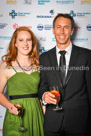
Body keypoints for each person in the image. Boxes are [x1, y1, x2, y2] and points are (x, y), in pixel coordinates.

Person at [39, 13, 91, 136]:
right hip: (52, 122)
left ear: (72, 31)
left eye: (66, 27)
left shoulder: (87, 56)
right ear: (53, 30)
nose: (62, 31)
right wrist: (44, 95)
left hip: (80, 122)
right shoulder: (44, 58)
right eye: (58, 27)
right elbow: (42, 86)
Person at [0, 26, 44, 136]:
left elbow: (42, 93)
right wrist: (10, 106)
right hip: (17, 114)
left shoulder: (39, 64)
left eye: (28, 40)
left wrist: (45, 116)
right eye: (21, 40)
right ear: (15, 43)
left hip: (36, 113)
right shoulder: (6, 65)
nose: (25, 43)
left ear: (32, 42)